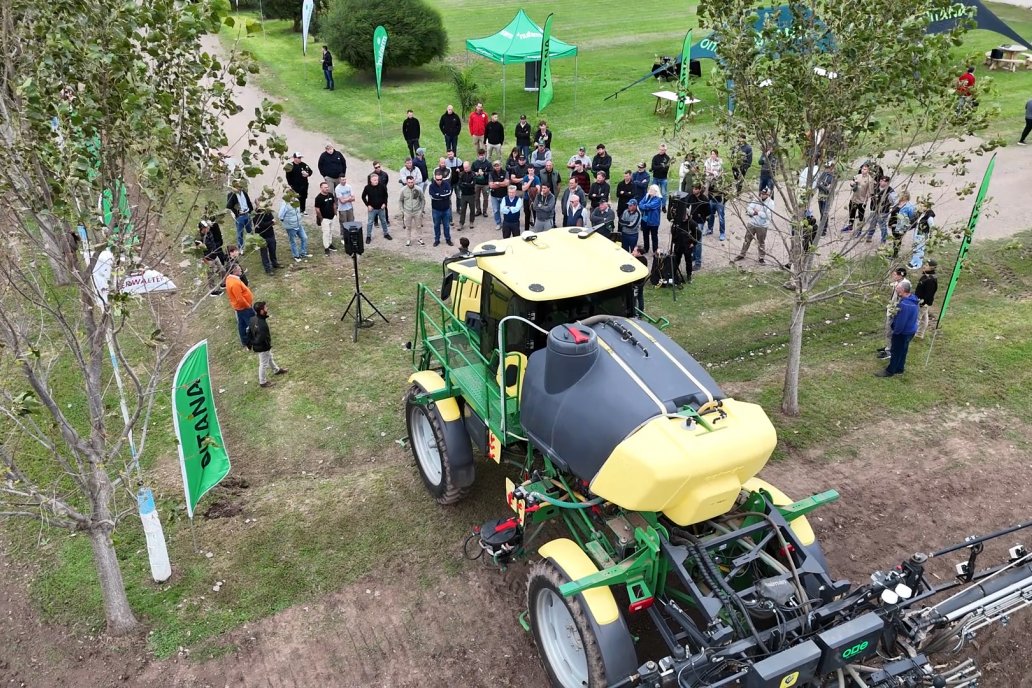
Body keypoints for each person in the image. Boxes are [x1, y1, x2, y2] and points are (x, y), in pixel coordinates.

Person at [875, 280, 918, 377]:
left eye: (897, 288)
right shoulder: (913, 299)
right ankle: (899, 368)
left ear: (902, 290)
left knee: (896, 351)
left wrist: (895, 331)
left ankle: (890, 371)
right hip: (911, 330)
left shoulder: (904, 305)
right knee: (903, 350)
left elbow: (901, 322)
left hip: (903, 332)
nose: (896, 290)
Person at [247, 301, 288, 388]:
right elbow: (260, 339)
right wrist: (253, 343)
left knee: (269, 358)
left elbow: (248, 331)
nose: (267, 308)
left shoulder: (252, 319)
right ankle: (263, 382)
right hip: (263, 347)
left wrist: (250, 342)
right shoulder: (262, 325)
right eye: (265, 308)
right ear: (261, 311)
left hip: (263, 347)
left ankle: (276, 370)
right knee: (263, 364)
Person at [735, 187, 774, 264]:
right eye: (761, 193)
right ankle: (742, 254)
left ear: (768, 195)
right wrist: (754, 212)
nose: (762, 195)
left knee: (761, 242)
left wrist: (757, 212)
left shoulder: (771, 203)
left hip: (762, 226)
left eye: (764, 194)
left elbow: (767, 215)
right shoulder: (756, 200)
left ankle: (761, 257)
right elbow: (749, 208)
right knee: (747, 240)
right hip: (752, 223)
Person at [877, 268, 908, 359]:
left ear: (901, 275)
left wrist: (894, 310)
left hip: (895, 311)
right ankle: (888, 347)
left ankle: (889, 351)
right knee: (888, 330)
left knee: (890, 330)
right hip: (891, 308)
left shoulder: (903, 285)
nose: (893, 276)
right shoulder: (898, 283)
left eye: (895, 275)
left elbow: (901, 299)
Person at [224, 263, 254, 349]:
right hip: (244, 307)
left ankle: (245, 341)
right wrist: (248, 306)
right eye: (238, 268)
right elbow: (240, 298)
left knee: (242, 325)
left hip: (239, 308)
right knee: (252, 322)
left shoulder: (229, 279)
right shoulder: (235, 283)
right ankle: (256, 340)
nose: (241, 269)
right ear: (233, 271)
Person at [686, 183, 710, 270]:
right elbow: (687, 206)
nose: (694, 190)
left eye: (696, 189)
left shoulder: (704, 199)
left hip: (699, 222)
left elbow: (708, 212)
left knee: (698, 242)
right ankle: (695, 256)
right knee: (692, 239)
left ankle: (698, 263)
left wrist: (703, 218)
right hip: (691, 222)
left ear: (700, 190)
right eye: (693, 188)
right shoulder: (691, 197)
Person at [278, 197, 310, 262]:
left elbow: (298, 211)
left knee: (304, 238)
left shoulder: (297, 200)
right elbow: (280, 215)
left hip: (298, 224)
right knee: (293, 241)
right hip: (291, 226)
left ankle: (303, 253)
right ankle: (296, 255)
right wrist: (287, 222)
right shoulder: (285, 204)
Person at [362, 173, 391, 243]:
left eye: (377, 180)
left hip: (381, 208)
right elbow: (363, 197)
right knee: (370, 223)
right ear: (371, 180)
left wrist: (385, 203)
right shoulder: (367, 187)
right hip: (372, 209)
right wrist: (367, 205)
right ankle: (368, 236)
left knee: (383, 221)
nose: (376, 181)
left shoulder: (382, 186)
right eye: (374, 180)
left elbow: (385, 196)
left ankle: (386, 233)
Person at [867, 176, 897, 243]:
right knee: (872, 224)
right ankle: (869, 237)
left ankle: (883, 240)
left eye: (883, 181)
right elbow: (871, 196)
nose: (880, 182)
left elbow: (895, 202)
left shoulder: (890, 191)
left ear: (887, 182)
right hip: (874, 209)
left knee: (882, 226)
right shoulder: (876, 188)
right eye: (880, 180)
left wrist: (889, 206)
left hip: (883, 211)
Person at [252, 203, 281, 274]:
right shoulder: (255, 214)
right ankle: (268, 269)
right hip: (261, 237)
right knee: (264, 253)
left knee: (273, 250)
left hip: (270, 234)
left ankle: (275, 263)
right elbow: (261, 224)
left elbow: (272, 220)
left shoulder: (268, 212)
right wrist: (271, 222)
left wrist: (270, 222)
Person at [398, 175, 426, 246]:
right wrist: (402, 211)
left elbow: (422, 199)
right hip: (407, 212)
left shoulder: (418, 189)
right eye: (409, 182)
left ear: (414, 181)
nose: (410, 184)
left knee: (418, 226)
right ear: (406, 182)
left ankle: (420, 239)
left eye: (412, 182)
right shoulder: (403, 190)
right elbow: (400, 200)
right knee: (408, 227)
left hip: (417, 211)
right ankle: (408, 240)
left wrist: (421, 210)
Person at [428, 171, 454, 247]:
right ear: (435, 178)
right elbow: (432, 196)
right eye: (437, 179)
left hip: (446, 209)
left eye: (440, 179)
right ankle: (437, 240)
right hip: (436, 210)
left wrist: (438, 195)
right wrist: (443, 196)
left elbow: (449, 193)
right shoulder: (431, 186)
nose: (439, 181)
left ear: (442, 178)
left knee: (446, 225)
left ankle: (448, 239)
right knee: (436, 225)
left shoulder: (446, 184)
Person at [844, 163, 873, 233]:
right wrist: (852, 183)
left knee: (861, 216)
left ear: (868, 170)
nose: (863, 170)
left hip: (862, 201)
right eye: (862, 169)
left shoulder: (870, 180)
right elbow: (852, 184)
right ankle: (850, 226)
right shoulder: (857, 176)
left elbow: (870, 192)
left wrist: (865, 201)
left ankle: (859, 230)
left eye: (865, 169)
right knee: (851, 213)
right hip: (853, 199)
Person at [888, 190, 917, 260]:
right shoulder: (897, 203)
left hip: (900, 227)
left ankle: (895, 255)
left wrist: (907, 226)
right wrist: (890, 223)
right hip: (893, 225)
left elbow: (913, 217)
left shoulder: (909, 206)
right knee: (895, 239)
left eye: (900, 195)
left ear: (905, 197)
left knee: (897, 240)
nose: (899, 196)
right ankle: (894, 253)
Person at [226, 181, 254, 249]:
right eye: (238, 187)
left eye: (241, 187)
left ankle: (252, 244)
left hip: (247, 214)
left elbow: (248, 201)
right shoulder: (231, 194)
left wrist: (250, 210)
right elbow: (229, 206)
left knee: (250, 230)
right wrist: (236, 213)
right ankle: (241, 247)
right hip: (240, 216)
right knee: (240, 233)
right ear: (234, 187)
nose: (240, 188)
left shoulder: (244, 192)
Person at [914, 260, 938, 338]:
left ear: (932, 268)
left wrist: (923, 303)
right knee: (924, 318)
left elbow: (929, 293)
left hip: (922, 302)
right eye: (924, 264)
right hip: (921, 301)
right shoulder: (926, 276)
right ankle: (920, 334)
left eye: (926, 265)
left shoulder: (930, 280)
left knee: (917, 318)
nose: (924, 266)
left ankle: (913, 333)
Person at [313, 182, 338, 256]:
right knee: (326, 233)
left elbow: (334, 204)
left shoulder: (330, 195)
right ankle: (326, 247)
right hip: (325, 219)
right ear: (321, 188)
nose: (327, 189)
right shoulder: (318, 198)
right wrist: (321, 218)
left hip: (332, 217)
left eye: (327, 187)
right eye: (325, 187)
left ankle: (330, 244)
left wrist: (335, 213)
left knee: (331, 231)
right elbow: (317, 209)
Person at [909, 201, 935, 269]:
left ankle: (918, 263)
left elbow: (932, 226)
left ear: (927, 207)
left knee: (920, 249)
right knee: (915, 247)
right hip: (918, 233)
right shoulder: (923, 213)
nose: (920, 207)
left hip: (922, 234)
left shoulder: (929, 216)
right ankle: (913, 261)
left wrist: (930, 236)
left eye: (922, 206)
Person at [638, 184, 663, 254]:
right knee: (645, 235)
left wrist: (644, 206)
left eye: (652, 189)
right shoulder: (646, 196)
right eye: (650, 189)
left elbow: (650, 206)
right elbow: (640, 204)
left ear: (656, 191)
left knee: (654, 236)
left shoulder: (658, 199)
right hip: (645, 220)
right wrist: (644, 206)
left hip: (653, 221)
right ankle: (646, 248)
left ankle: (655, 250)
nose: (650, 190)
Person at [456, 161, 477, 231]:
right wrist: (467, 184)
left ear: (469, 167)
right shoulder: (461, 174)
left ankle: (471, 222)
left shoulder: (473, 174)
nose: (465, 169)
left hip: (471, 194)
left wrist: (465, 184)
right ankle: (461, 223)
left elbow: (473, 184)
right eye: (464, 168)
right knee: (463, 210)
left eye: (467, 168)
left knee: (472, 209)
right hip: (464, 195)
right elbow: (459, 184)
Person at [650, 144, 671, 211]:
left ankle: (663, 206)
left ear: (665, 150)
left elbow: (665, 170)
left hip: (663, 179)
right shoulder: (655, 157)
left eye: (662, 150)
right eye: (660, 149)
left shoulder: (667, 158)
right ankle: (653, 204)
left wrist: (658, 167)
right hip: (655, 177)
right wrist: (661, 165)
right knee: (653, 192)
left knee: (664, 193)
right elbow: (653, 167)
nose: (661, 151)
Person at [488, 160, 509, 228]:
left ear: (501, 165)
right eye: (495, 166)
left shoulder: (505, 172)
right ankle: (498, 223)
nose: (497, 167)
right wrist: (501, 183)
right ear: (493, 167)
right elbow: (491, 185)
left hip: (504, 195)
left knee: (504, 210)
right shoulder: (491, 174)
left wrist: (497, 183)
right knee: (496, 210)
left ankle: (505, 222)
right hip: (494, 195)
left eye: (498, 165)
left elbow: (506, 183)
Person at [471, 150, 491, 219]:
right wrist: (475, 173)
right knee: (476, 198)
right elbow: (471, 171)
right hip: (477, 184)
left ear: (484, 155)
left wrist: (485, 173)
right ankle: (478, 210)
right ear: (478, 155)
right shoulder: (475, 163)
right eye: (480, 155)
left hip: (485, 184)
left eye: (482, 155)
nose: (481, 156)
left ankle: (485, 211)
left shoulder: (488, 163)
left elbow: (491, 172)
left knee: (486, 198)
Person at [520, 166, 539, 233]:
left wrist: (532, 189)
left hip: (534, 199)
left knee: (535, 214)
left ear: (534, 170)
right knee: (527, 215)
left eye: (531, 170)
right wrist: (530, 180)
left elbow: (538, 189)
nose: (530, 172)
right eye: (529, 170)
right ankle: (526, 230)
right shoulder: (525, 178)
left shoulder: (536, 178)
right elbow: (524, 188)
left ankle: (536, 230)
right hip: (526, 198)